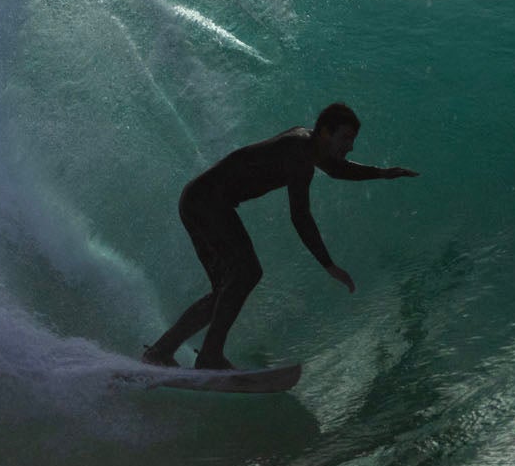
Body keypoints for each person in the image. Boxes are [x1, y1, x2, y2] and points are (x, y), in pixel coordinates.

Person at [142, 103, 417, 370]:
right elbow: (300, 216)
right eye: (345, 138)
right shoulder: (299, 154)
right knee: (247, 273)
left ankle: (161, 352)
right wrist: (328, 264)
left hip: (197, 200)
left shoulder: (306, 144)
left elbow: (336, 169)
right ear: (324, 132)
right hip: (207, 202)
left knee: (225, 290)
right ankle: (209, 357)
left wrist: (380, 173)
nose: (350, 146)